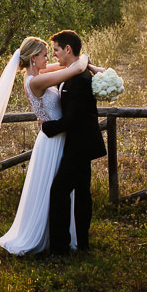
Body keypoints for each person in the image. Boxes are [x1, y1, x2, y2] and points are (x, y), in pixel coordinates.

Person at [0, 36, 95, 255]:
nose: (48, 57)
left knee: (60, 189)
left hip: (58, 137)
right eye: (44, 55)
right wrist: (86, 59)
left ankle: (62, 238)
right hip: (53, 141)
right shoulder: (35, 81)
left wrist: (88, 64)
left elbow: (68, 65)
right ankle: (51, 239)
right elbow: (75, 68)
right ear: (33, 59)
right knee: (55, 190)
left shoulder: (37, 74)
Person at [41, 30, 107, 254]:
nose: (55, 55)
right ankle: (82, 244)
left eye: (57, 50)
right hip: (80, 143)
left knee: (60, 191)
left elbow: (72, 119)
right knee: (81, 193)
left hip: (80, 144)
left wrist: (46, 127)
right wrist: (86, 62)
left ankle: (61, 247)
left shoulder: (79, 80)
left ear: (68, 49)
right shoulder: (73, 72)